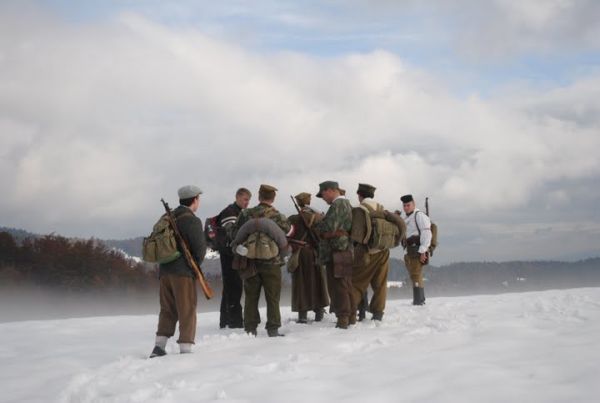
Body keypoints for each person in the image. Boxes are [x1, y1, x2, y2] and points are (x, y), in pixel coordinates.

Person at [150, 185, 207, 358]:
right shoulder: (192, 220)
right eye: (198, 198)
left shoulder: (167, 217)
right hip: (183, 273)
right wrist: (194, 266)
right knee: (187, 309)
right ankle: (185, 349)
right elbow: (200, 250)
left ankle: (159, 346)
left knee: (167, 309)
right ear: (195, 199)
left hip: (164, 271)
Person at [234, 184, 290, 337]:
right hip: (272, 262)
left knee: (251, 296)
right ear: (273, 198)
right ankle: (273, 328)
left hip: (250, 261)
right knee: (273, 297)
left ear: (259, 197)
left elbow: (234, 233)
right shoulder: (278, 216)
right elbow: (288, 232)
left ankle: (250, 328)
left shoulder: (246, 214)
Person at [313, 181, 355, 329]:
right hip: (345, 249)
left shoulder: (337, 205)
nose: (323, 198)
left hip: (337, 250)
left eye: (323, 194)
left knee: (338, 286)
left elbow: (328, 227)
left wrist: (318, 221)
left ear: (330, 190)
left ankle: (343, 319)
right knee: (346, 284)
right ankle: (351, 316)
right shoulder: (346, 204)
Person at [350, 183, 391, 321]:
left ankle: (350, 313)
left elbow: (356, 236)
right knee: (380, 284)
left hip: (367, 252)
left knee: (357, 283)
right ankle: (378, 313)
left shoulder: (359, 209)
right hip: (383, 250)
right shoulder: (381, 208)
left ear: (359, 195)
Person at [288, 192, 329, 323]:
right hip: (315, 253)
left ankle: (302, 315)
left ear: (298, 203)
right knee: (318, 281)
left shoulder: (293, 219)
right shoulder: (318, 218)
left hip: (299, 253)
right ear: (309, 202)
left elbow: (288, 236)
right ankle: (319, 312)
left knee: (301, 283)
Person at [216, 188, 252, 329]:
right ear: (237, 197)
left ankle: (225, 320)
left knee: (230, 287)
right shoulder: (230, 212)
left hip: (232, 253)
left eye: (248, 200)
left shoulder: (238, 212)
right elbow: (232, 233)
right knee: (234, 287)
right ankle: (235, 321)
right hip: (229, 255)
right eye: (245, 199)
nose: (247, 203)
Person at [401, 194, 432, 305]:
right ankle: (420, 299)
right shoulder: (407, 218)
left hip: (417, 249)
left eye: (408, 205)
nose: (406, 207)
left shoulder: (419, 215)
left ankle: (418, 300)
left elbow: (427, 233)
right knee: (415, 274)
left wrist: (423, 251)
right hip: (410, 250)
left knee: (415, 274)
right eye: (404, 205)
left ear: (413, 204)